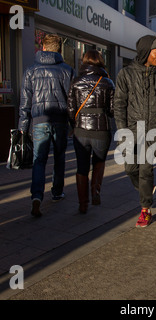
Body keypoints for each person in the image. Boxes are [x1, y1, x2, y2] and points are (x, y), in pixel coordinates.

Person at [114, 35, 156, 228]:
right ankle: (146, 188)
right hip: (131, 128)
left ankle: (145, 210)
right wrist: (121, 132)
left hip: (152, 128)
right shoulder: (126, 74)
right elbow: (119, 104)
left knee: (146, 168)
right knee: (130, 168)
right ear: (146, 52)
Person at [18, 34, 75, 217]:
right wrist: (73, 124)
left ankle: (36, 196)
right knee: (59, 159)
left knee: (39, 160)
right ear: (59, 49)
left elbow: (25, 102)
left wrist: (23, 127)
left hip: (39, 121)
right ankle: (57, 192)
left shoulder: (31, 70)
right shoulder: (67, 70)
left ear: (42, 48)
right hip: (60, 121)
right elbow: (72, 101)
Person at [67, 50, 115, 214]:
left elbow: (70, 109)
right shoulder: (107, 82)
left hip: (81, 130)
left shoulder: (75, 82)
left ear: (84, 62)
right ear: (100, 62)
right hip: (101, 130)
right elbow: (113, 110)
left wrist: (74, 124)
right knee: (99, 162)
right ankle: (95, 191)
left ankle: (82, 203)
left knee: (81, 167)